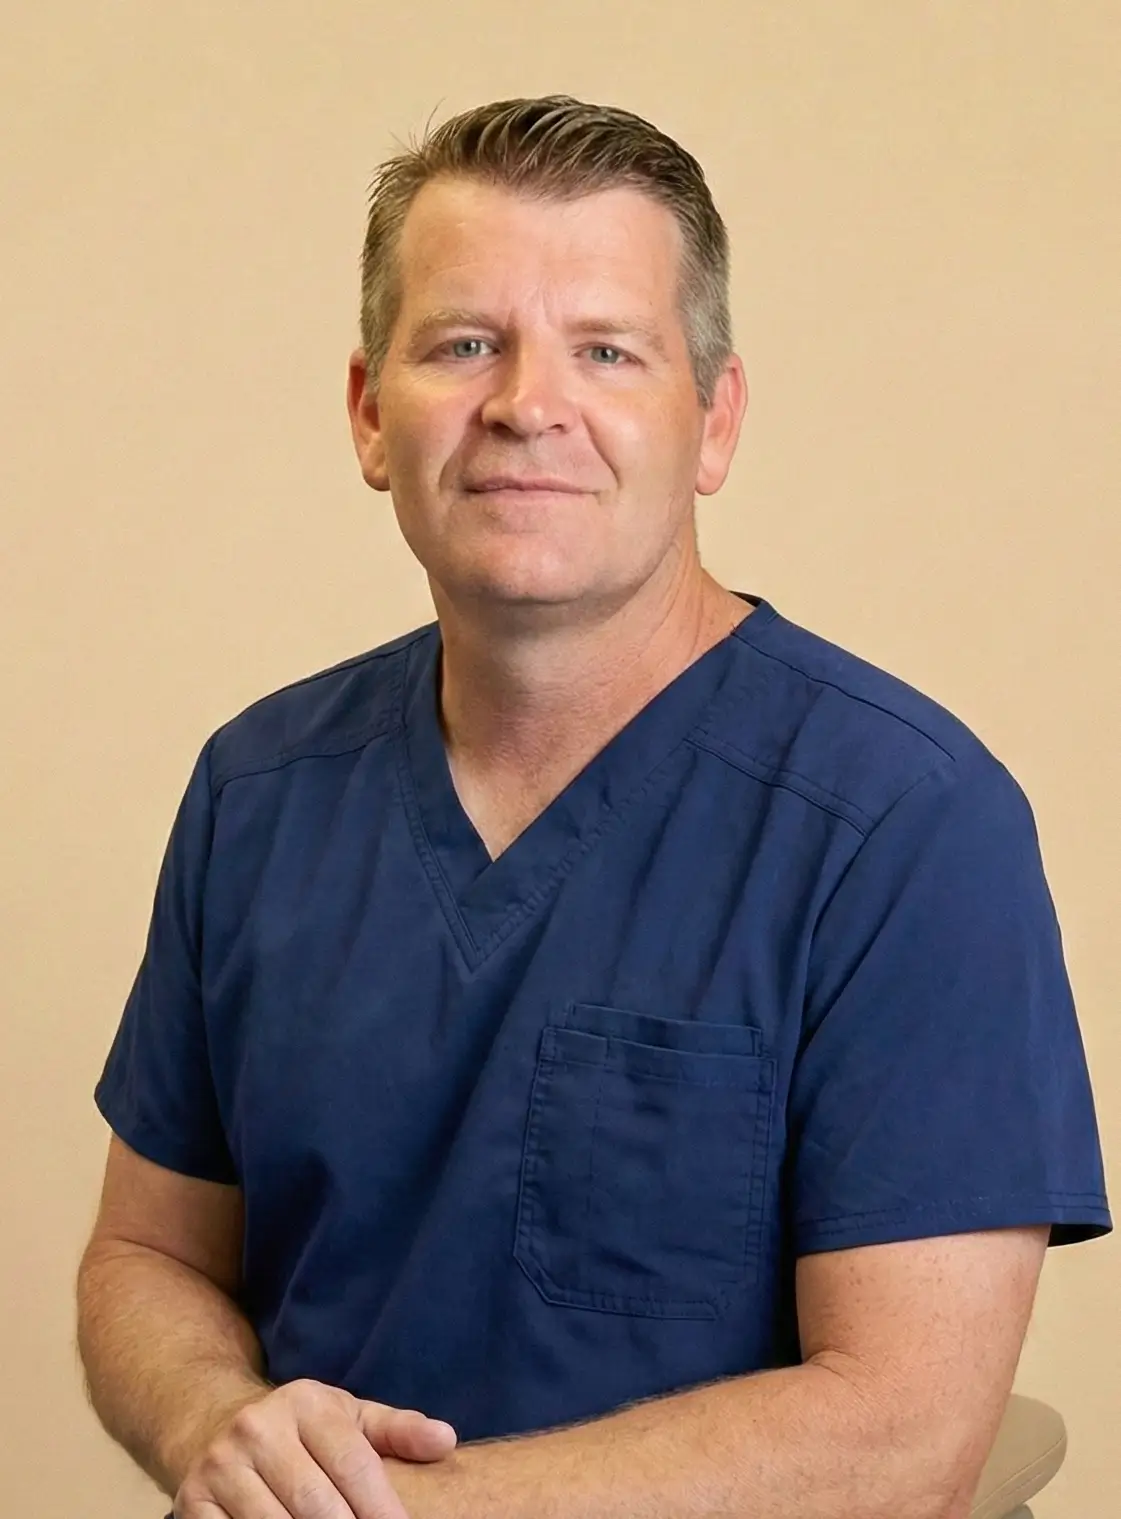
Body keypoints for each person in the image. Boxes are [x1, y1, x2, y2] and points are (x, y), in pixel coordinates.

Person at [77, 95, 1111, 1519]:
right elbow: (148, 1257)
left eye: (606, 349)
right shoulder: (257, 791)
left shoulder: (906, 826)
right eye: (463, 344)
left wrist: (397, 1515)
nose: (526, 403)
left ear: (714, 421)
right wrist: (220, 1424)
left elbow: (904, 1428)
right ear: (373, 413)